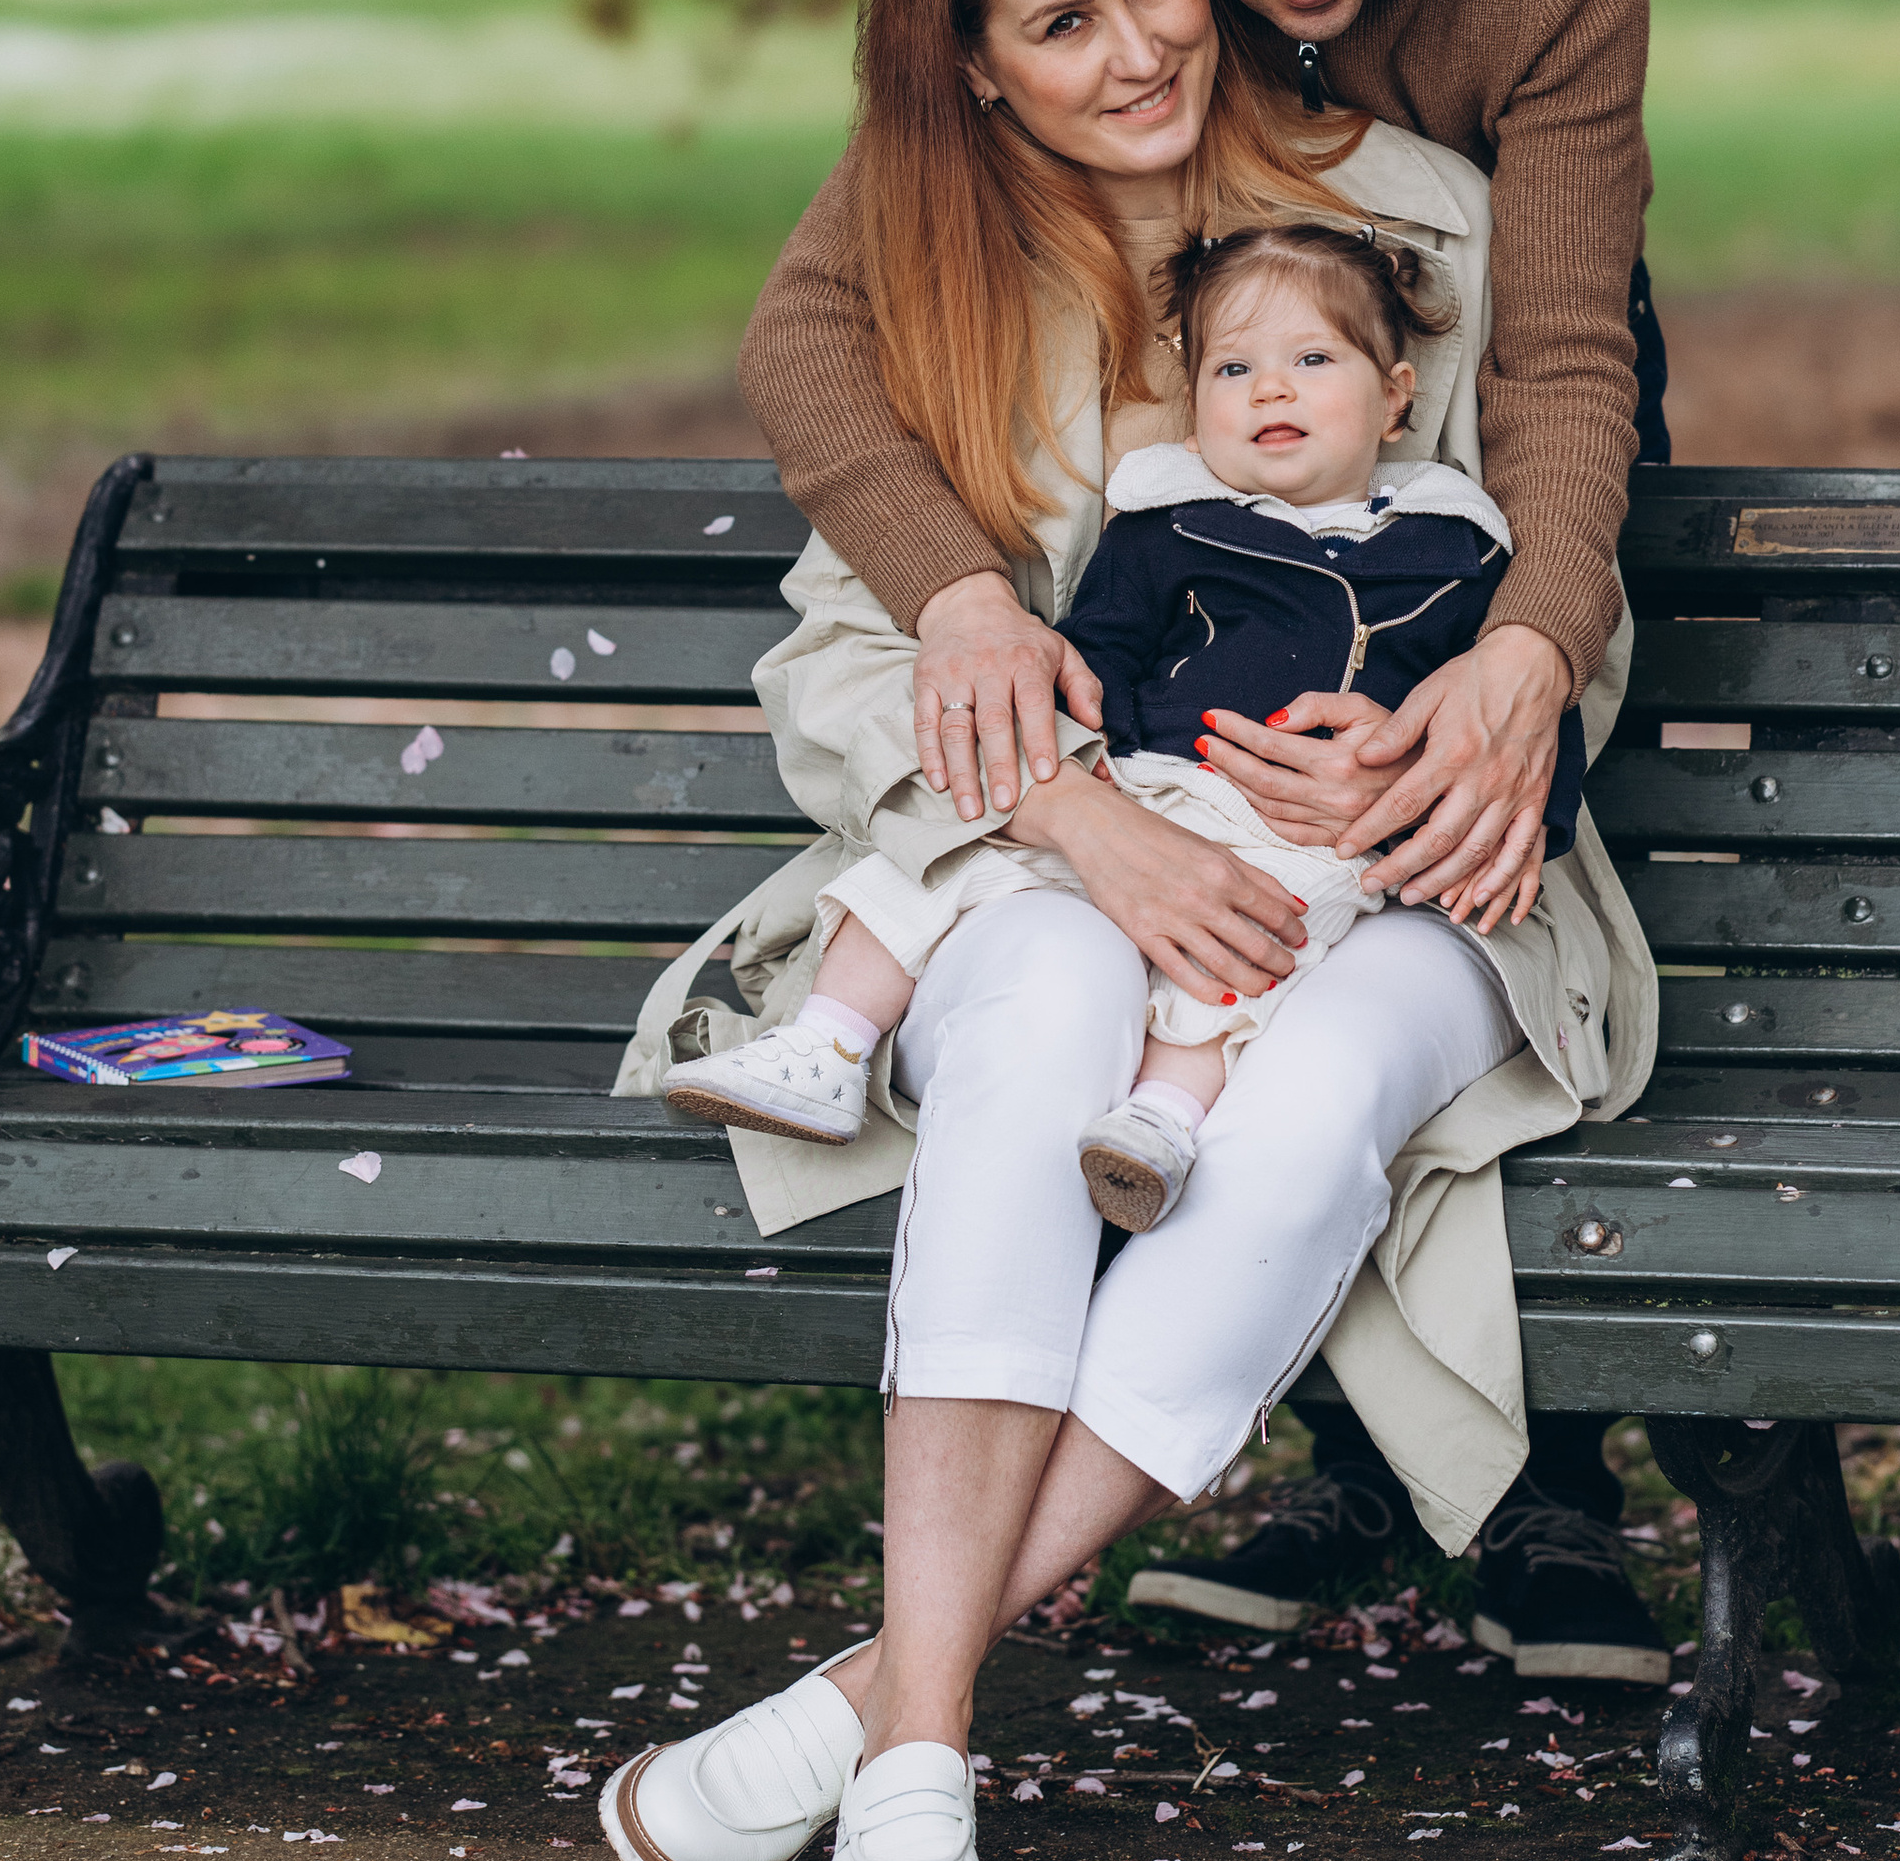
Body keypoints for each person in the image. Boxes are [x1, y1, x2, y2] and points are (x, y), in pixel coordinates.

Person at [604, 0, 1656, 1861]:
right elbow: (836, 657)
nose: (1142, 48)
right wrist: (1062, 797)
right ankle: (914, 1784)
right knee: (1044, 1022)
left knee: (1306, 1112)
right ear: (971, 61)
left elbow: (1564, 549)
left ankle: (880, 1710)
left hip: (1415, 873)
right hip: (1045, 866)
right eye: (1061, 21)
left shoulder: (1413, 225)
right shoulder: (942, 280)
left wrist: (1457, 722)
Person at [662, 217, 1587, 1230]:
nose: (1270, 388)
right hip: (1139, 782)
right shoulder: (1170, 523)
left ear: (1395, 398)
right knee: (946, 870)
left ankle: (1159, 1118)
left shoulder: (1456, 550)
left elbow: (1516, 740)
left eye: (1312, 358)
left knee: (1263, 947)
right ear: (1195, 416)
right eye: (1234, 367)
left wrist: (1499, 829)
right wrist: (1070, 774)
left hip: (1298, 829)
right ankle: (826, 1044)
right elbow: (1093, 655)